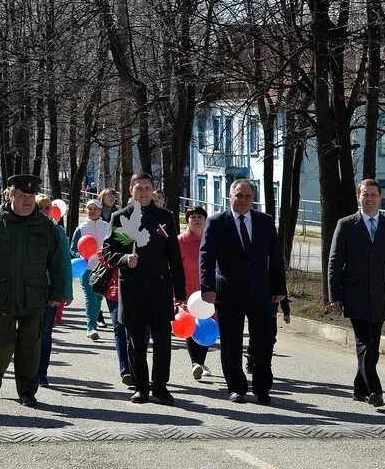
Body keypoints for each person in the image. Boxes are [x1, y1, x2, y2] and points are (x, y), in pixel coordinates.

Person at [0, 174, 65, 407]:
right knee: (0, 343)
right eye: (22, 195)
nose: (27, 200)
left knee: (30, 346)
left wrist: (58, 293)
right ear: (11, 195)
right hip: (2, 293)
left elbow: (57, 261)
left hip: (34, 294)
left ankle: (27, 390)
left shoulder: (45, 226)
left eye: (31, 196)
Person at [328, 178, 385, 408]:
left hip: (379, 294)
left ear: (380, 198)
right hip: (354, 293)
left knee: (374, 345)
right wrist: (335, 296)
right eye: (365, 194)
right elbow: (335, 261)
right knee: (364, 342)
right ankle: (375, 391)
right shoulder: (347, 224)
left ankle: (359, 387)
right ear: (358, 197)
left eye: (373, 195)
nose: (369, 199)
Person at [199, 179, 286, 405]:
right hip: (228, 293)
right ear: (230, 197)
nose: (243, 200)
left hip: (260, 292)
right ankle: (236, 387)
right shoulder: (217, 222)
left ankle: (262, 388)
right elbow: (206, 257)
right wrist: (207, 287)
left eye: (248, 196)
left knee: (263, 343)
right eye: (239, 195)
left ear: (253, 198)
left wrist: (279, 289)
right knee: (231, 343)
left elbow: (275, 257)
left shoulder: (264, 222)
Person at [102, 173, 186, 405]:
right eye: (139, 188)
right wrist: (123, 259)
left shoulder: (165, 217)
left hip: (159, 287)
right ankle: (141, 387)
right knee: (136, 342)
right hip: (132, 289)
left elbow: (175, 257)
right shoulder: (120, 217)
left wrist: (180, 294)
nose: (144, 192)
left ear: (153, 190)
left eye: (148, 188)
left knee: (162, 342)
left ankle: (160, 386)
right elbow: (108, 250)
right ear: (131, 190)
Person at [34, 195, 73, 387]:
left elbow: (65, 262)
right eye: (40, 208)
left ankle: (41, 372)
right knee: (28, 331)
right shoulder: (26, 228)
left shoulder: (57, 230)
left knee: (45, 332)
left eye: (47, 208)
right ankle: (27, 369)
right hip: (29, 288)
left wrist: (66, 291)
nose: (44, 211)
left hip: (50, 290)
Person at [178, 206, 212, 380]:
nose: (196, 220)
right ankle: (195, 363)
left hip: (207, 291)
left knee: (206, 325)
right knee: (191, 326)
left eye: (200, 217)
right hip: (187, 291)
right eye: (192, 217)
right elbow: (173, 270)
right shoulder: (180, 241)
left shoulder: (211, 239)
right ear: (188, 220)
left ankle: (201, 361)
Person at [70, 199, 111, 340]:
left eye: (95, 208)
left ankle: (94, 322)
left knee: (99, 298)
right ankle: (91, 328)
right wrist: (81, 255)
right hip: (86, 269)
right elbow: (73, 249)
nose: (92, 211)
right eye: (89, 208)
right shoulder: (81, 228)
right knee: (90, 298)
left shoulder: (107, 226)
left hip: (103, 269)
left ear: (100, 210)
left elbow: (112, 246)